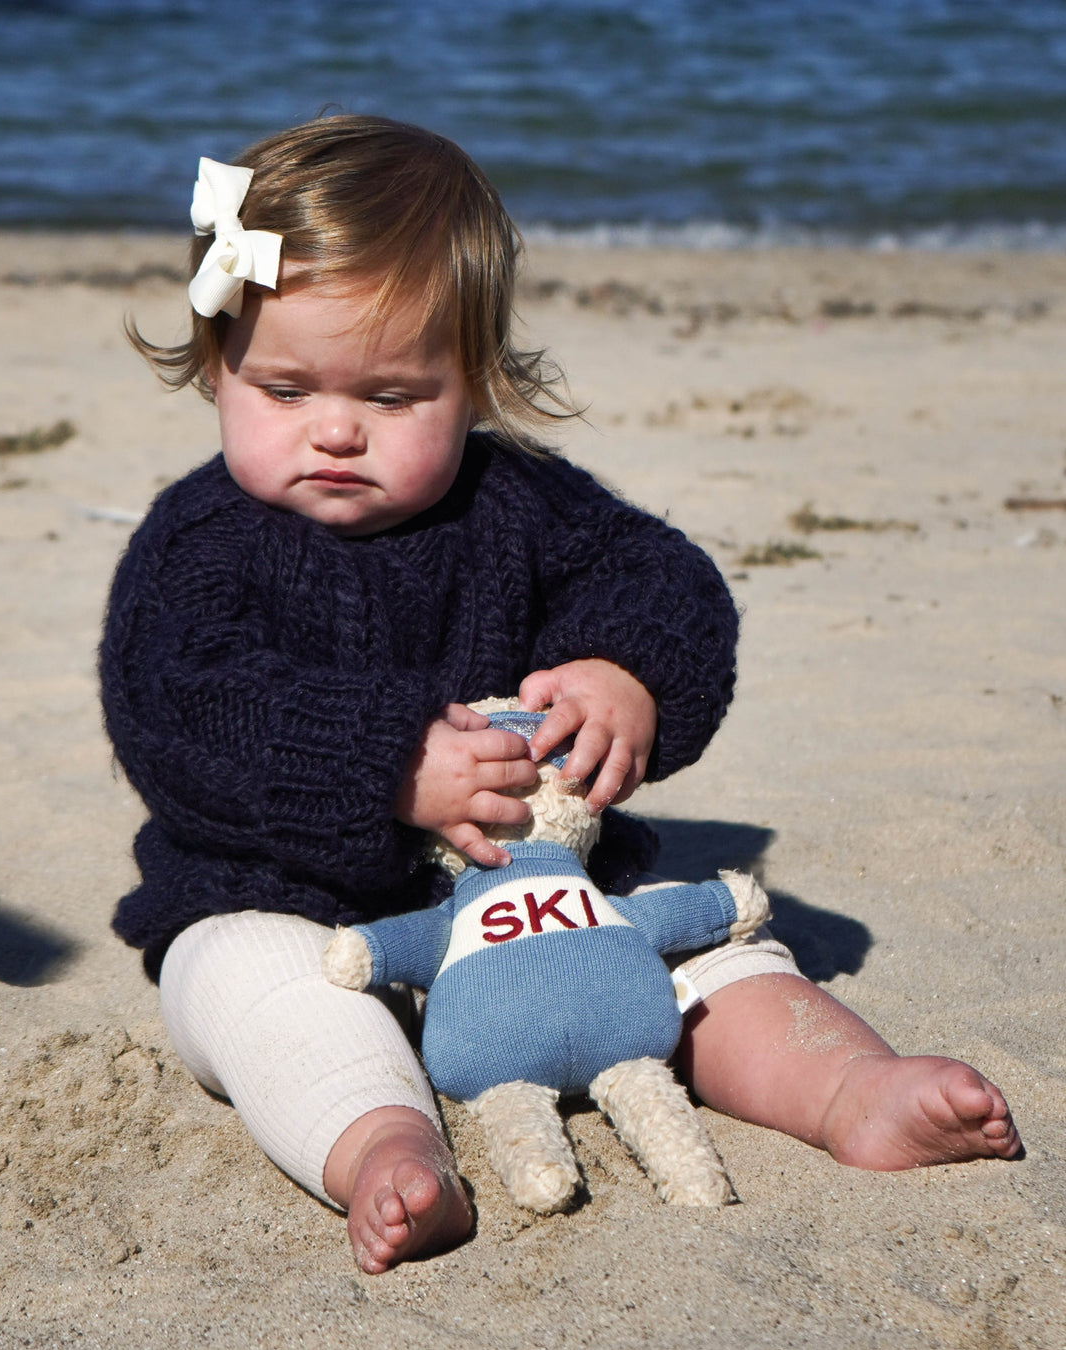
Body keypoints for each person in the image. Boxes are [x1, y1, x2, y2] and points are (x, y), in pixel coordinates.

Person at [100, 114, 1020, 1277]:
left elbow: (664, 580)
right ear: (217, 367)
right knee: (241, 986)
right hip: (290, 899)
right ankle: (385, 1148)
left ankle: (849, 1087)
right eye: (281, 388)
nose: (333, 429)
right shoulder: (200, 544)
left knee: (716, 958)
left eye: (392, 398)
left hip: (548, 899)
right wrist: (384, 763)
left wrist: (622, 672)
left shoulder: (516, 505)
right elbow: (178, 708)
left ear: (474, 385)